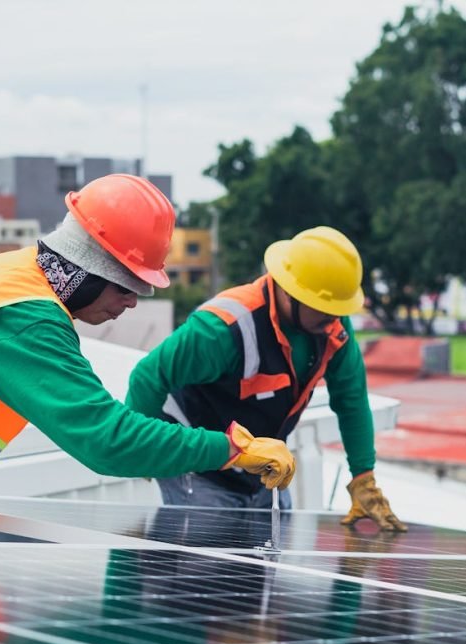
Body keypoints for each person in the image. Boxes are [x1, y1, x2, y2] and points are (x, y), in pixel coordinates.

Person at [0, 174, 295, 540]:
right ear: (89, 266)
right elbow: (108, 440)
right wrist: (232, 448)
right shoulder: (22, 320)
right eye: (126, 284)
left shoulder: (7, 276)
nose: (133, 301)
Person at [126, 226, 407, 532]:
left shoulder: (332, 330)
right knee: (208, 565)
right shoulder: (223, 328)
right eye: (326, 309)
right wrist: (145, 451)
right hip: (201, 468)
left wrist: (363, 477)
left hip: (264, 468)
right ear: (290, 293)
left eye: (339, 310)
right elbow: (148, 377)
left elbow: (351, 400)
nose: (335, 319)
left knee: (265, 563)